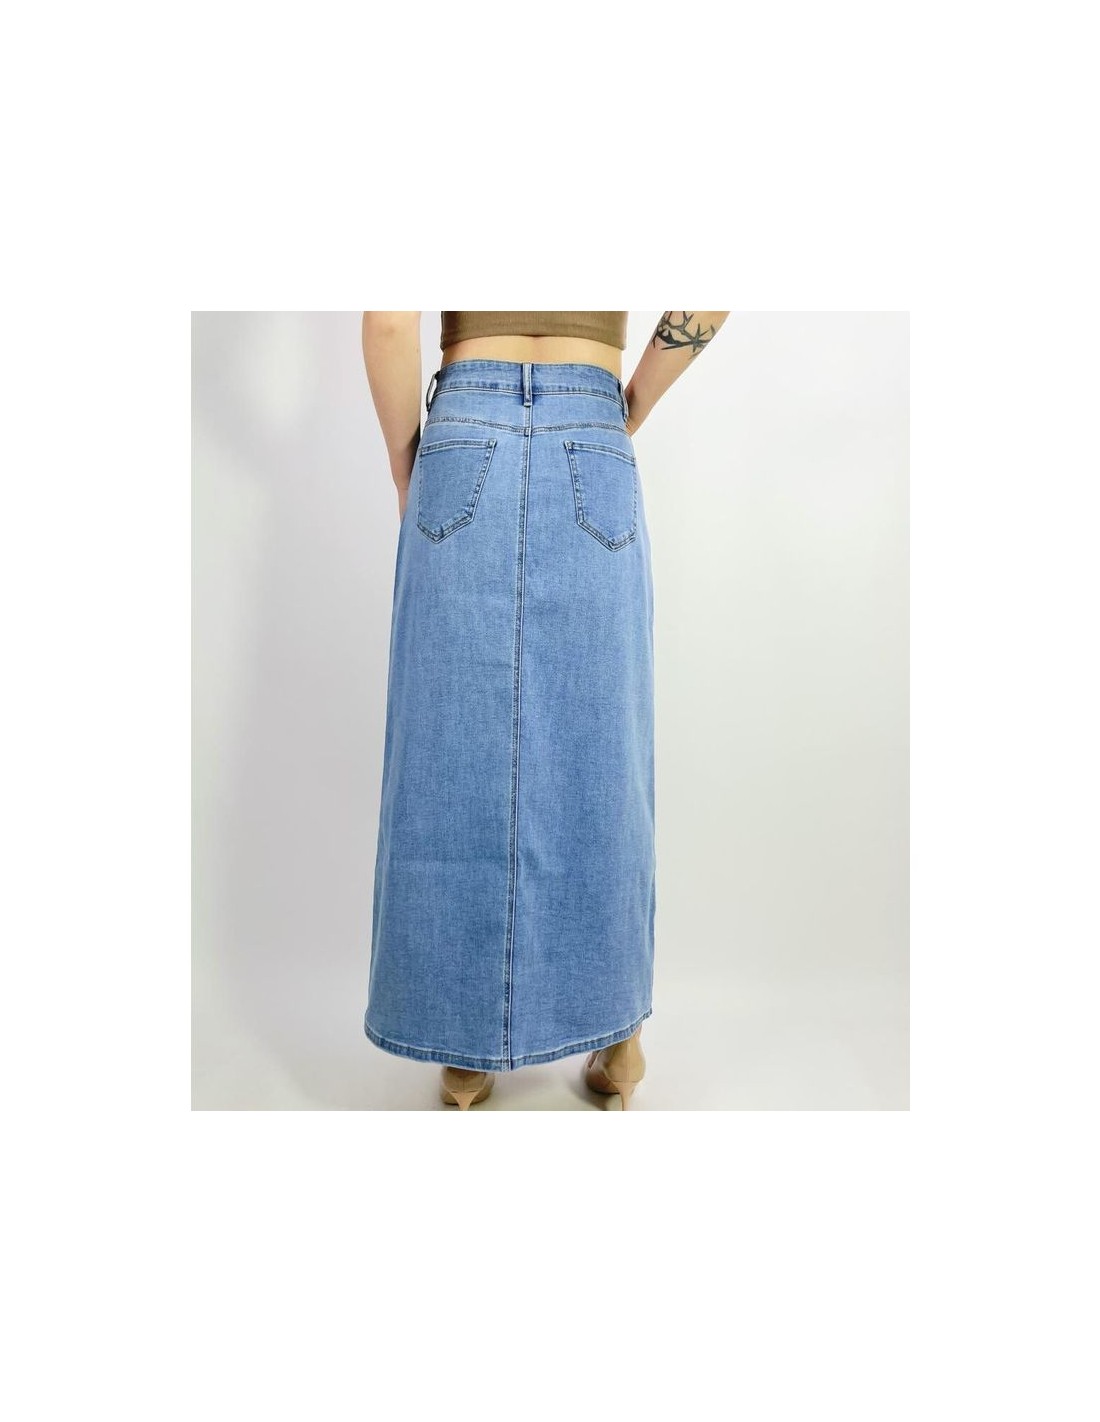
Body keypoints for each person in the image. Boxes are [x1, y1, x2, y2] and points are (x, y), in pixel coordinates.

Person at [361, 311, 728, 1109]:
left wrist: (403, 464)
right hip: (592, 423)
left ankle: (463, 1048)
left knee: (447, 742)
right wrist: (627, 407)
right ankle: (618, 1036)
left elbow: (388, 321)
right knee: (603, 744)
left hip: (464, 431)